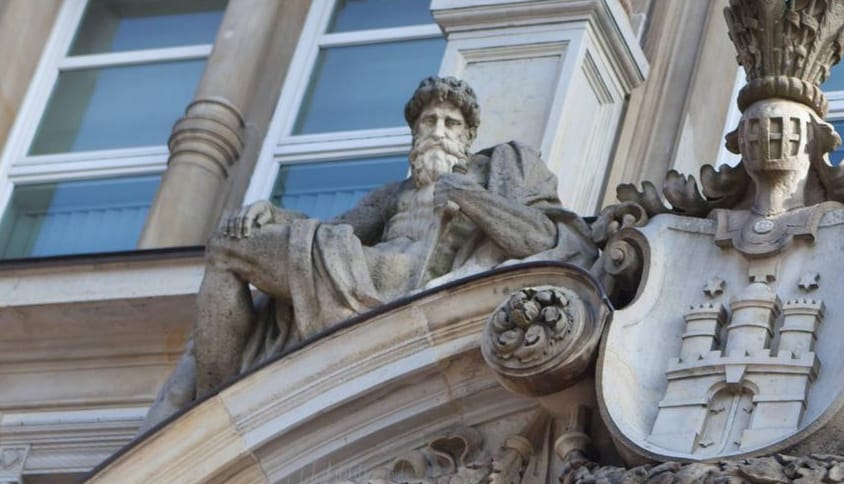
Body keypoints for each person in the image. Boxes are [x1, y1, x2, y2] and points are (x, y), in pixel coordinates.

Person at [145, 75, 593, 428]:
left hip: (403, 283)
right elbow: (336, 230)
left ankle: (209, 414)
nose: (437, 131)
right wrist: (273, 214)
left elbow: (542, 240)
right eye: (428, 122)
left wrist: (471, 199)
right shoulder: (393, 194)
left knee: (236, 248)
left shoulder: (494, 175)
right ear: (414, 133)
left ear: (468, 136)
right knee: (227, 246)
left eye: (450, 124)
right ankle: (213, 405)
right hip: (351, 267)